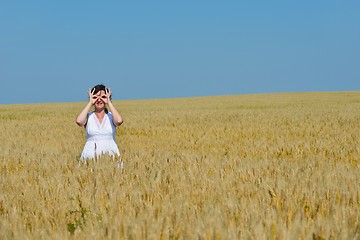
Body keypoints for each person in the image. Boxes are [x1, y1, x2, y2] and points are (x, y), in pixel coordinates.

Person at [76, 84, 123, 166]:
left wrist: (109, 102)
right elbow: (79, 121)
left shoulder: (111, 116)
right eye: (96, 97)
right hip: (90, 157)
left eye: (103, 97)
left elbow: (119, 121)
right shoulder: (88, 116)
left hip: (110, 156)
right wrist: (90, 102)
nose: (99, 100)